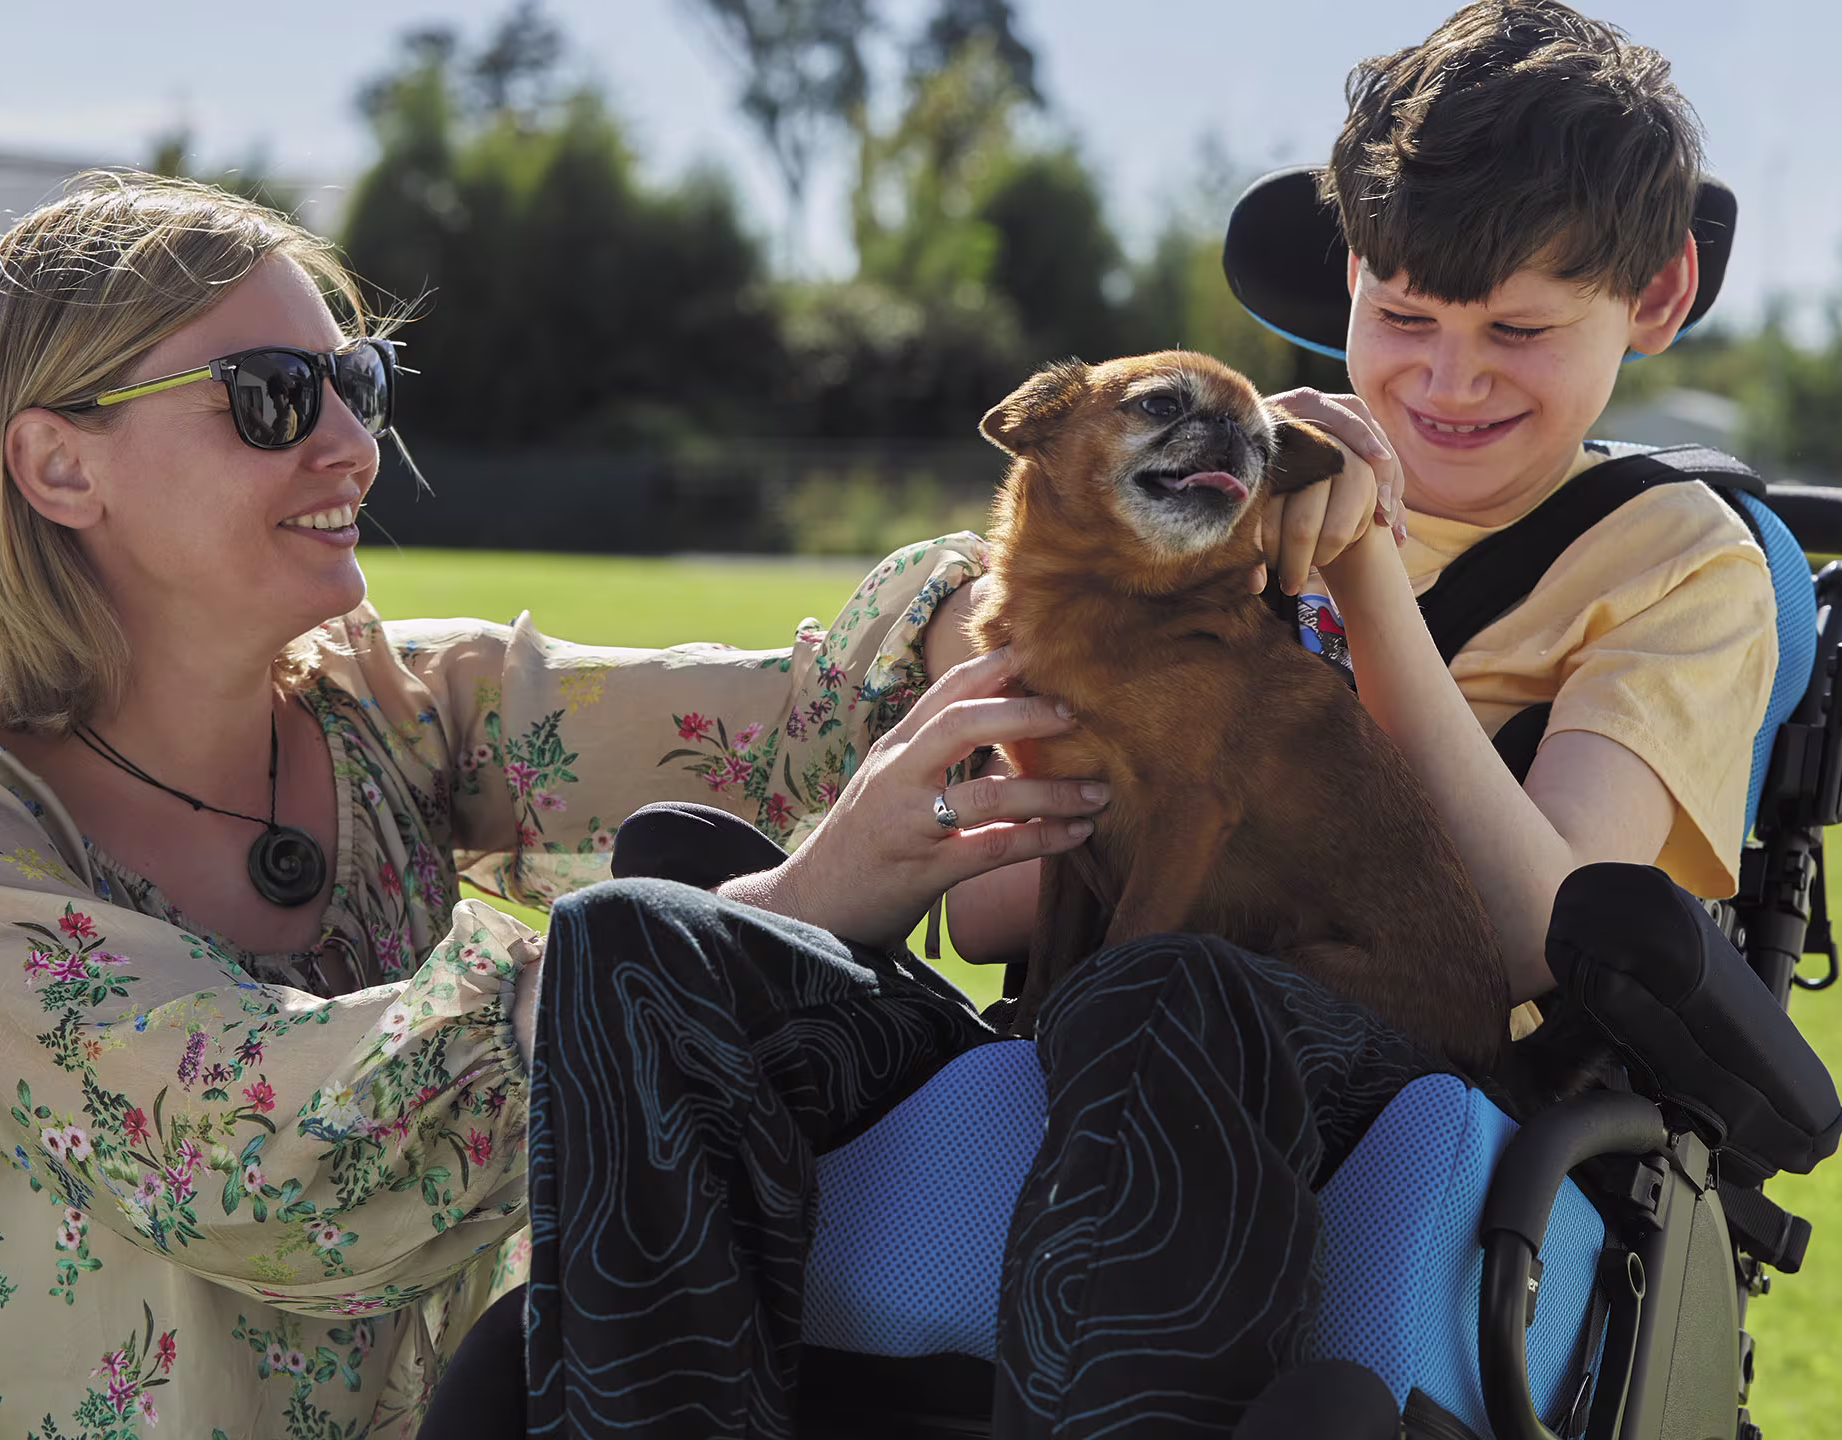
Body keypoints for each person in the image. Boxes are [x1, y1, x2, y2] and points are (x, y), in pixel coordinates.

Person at [519, 1, 1777, 1435]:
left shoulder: (1673, 561)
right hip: (1097, 1016)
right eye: (1406, 316)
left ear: (1658, 298)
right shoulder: (1212, 476)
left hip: (1388, 1061)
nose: (1449, 376)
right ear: (1352, 272)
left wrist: (1360, 572)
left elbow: (1530, 941)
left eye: (1521, 330)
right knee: (629, 943)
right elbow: (999, 925)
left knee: (1158, 988)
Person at [0, 173, 1145, 1437]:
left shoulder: (391, 710)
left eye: (357, 385)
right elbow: (243, 1153)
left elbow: (805, 712)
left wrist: (1072, 566)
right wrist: (765, 923)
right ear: (59, 468)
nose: (352, 448)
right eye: (270, 396)